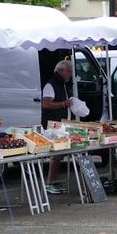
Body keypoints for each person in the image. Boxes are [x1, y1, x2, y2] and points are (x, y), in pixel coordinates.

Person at [41, 60, 74, 194]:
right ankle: (49, 182)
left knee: (59, 155)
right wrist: (64, 104)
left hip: (60, 124)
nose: (71, 74)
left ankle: (53, 180)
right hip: (52, 125)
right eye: (69, 71)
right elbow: (45, 104)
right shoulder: (50, 85)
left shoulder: (64, 85)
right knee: (55, 155)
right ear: (60, 71)